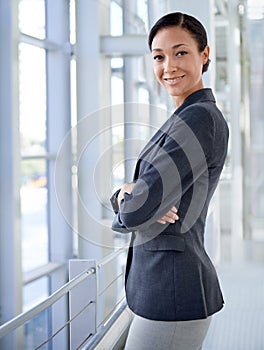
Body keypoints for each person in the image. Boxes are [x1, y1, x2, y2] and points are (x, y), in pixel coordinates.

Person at [110, 12, 229, 350]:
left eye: (180, 53)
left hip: (172, 294)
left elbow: (137, 210)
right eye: (159, 57)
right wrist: (126, 194)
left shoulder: (198, 118)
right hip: (165, 289)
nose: (169, 66)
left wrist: (138, 200)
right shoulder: (184, 116)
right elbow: (136, 201)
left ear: (204, 55)